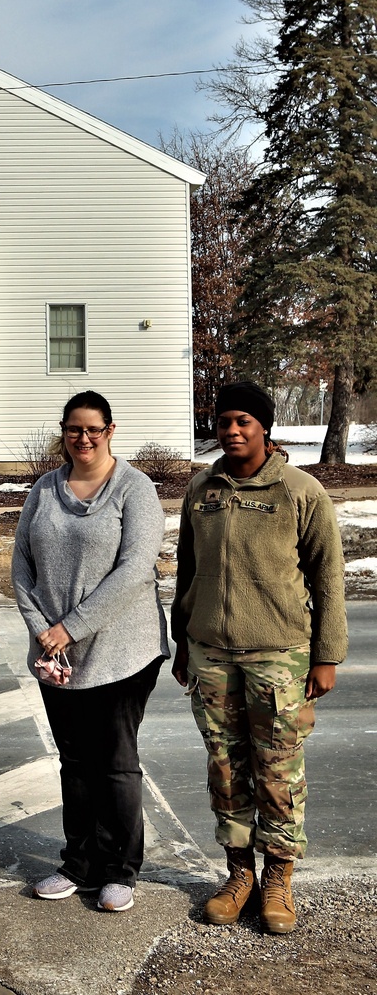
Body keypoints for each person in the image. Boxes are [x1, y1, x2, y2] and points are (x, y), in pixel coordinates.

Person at [171, 380, 347, 935]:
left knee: (277, 769)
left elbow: (328, 577)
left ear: (265, 427)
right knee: (226, 767)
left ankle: (279, 877)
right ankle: (238, 872)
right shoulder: (203, 489)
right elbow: (187, 572)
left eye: (244, 420)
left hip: (279, 654)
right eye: (224, 421)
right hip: (211, 652)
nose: (232, 430)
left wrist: (327, 656)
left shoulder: (301, 491)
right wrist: (183, 642)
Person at [11, 390, 168, 914]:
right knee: (75, 763)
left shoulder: (134, 488)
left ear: (110, 430)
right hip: (57, 653)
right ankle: (78, 865)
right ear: (64, 432)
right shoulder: (44, 489)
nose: (83, 438)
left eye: (93, 430)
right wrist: (44, 631)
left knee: (116, 762)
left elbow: (134, 571)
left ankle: (120, 870)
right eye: (74, 429)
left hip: (122, 651)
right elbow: (21, 567)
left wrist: (70, 627)